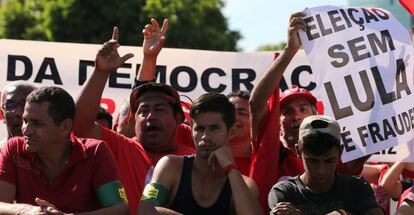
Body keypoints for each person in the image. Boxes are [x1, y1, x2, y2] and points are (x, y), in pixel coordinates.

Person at [248, 11, 369, 212]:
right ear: (277, 122)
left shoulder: (334, 154)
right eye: (286, 111)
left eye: (303, 109)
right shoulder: (268, 149)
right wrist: (290, 50)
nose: (295, 116)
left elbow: (374, 135)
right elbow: (256, 103)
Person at [74, 19, 194, 214]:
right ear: (133, 119)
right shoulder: (120, 148)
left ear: (179, 119)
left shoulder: (194, 157)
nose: (150, 117)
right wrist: (100, 71)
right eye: (143, 111)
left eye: (160, 110)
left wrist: (149, 58)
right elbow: (79, 126)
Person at [0, 86, 128, 214]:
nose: (26, 131)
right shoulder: (14, 148)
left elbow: (121, 210)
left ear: (65, 127)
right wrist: (26, 210)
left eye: (37, 123)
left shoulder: (95, 151)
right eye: (25, 121)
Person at [138, 92, 262, 214]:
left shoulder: (245, 184)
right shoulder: (170, 166)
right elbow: (145, 210)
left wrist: (231, 168)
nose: (205, 136)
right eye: (200, 129)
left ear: (231, 131)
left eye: (214, 128)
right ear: (191, 130)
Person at [268, 115, 384, 214]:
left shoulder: (357, 188)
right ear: (298, 150)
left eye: (329, 161)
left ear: (340, 151)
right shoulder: (284, 192)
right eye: (313, 161)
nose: (321, 170)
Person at [0, 81, 36, 149]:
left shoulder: (54, 156)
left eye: (26, 104)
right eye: (10, 105)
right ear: (3, 114)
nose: (19, 113)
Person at [227, 90, 252, 176]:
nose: (233, 117)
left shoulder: (270, 160)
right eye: (229, 112)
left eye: (241, 113)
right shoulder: (206, 158)